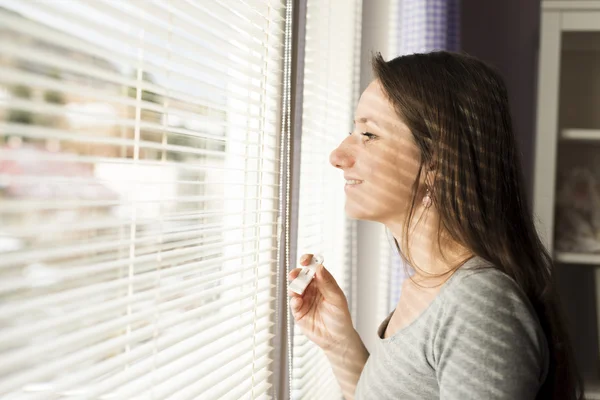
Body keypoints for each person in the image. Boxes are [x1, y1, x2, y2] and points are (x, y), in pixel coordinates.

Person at [288, 51, 583, 400]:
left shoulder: (477, 306)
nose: (337, 156)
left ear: (437, 163)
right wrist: (339, 343)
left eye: (369, 134)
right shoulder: (427, 287)